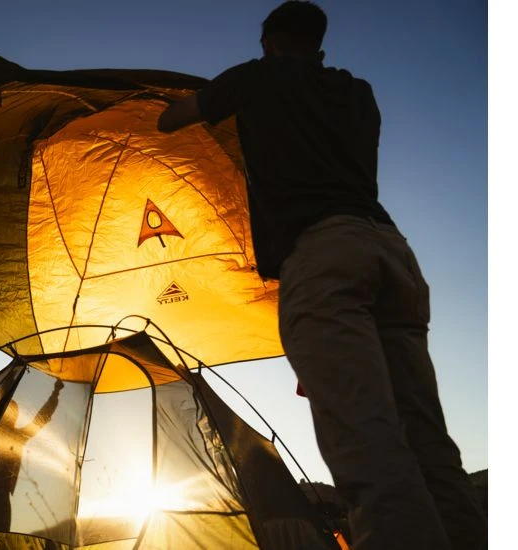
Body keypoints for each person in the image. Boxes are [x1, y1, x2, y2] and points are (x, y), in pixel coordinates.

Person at [157, 2, 486, 549]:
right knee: (426, 436)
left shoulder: (256, 78)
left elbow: (171, 118)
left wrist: (218, 96)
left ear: (268, 43)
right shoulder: (358, 94)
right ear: (321, 46)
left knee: (366, 439)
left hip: (323, 255)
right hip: (391, 254)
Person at [0, 379, 64, 532]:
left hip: (0, 496)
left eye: (13, 413)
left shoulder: (17, 437)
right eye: (8, 413)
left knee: (2, 542)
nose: (11, 417)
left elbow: (41, 419)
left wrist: (55, 393)